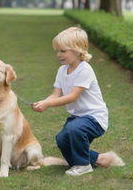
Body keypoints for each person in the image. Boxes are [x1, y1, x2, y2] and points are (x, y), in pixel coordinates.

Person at [32, 27, 124, 176]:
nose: (59, 54)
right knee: (62, 139)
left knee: (75, 129)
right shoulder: (62, 71)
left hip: (95, 118)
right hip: (78, 118)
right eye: (58, 51)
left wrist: (48, 104)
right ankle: (100, 159)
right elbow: (55, 94)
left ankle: (83, 165)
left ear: (77, 50)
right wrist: (43, 102)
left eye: (63, 51)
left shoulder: (84, 70)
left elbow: (73, 96)